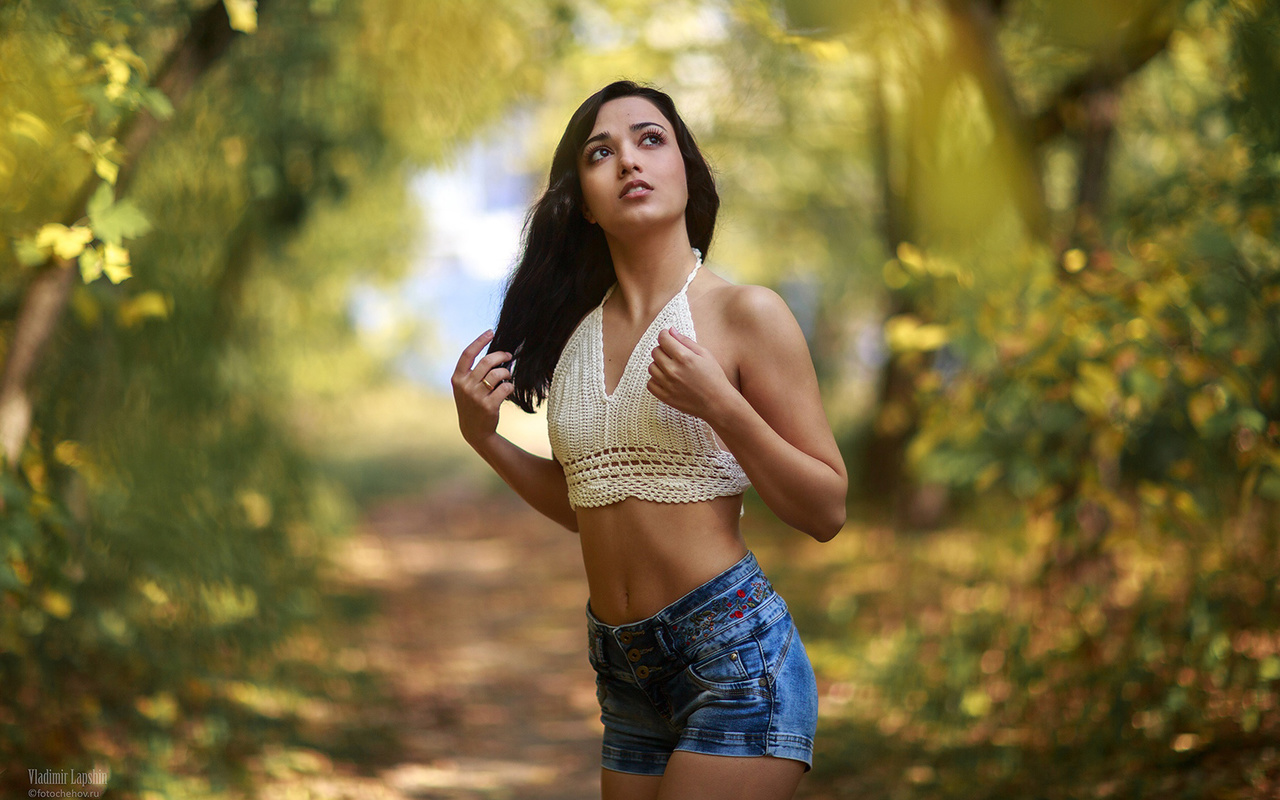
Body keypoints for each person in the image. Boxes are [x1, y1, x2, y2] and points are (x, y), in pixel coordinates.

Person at [451, 80, 848, 800]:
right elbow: (590, 503)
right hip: (625, 674)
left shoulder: (744, 313)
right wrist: (487, 441)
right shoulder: (573, 337)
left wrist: (723, 406)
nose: (629, 161)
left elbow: (826, 510)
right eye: (602, 152)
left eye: (650, 139)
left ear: (686, 172)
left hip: (733, 660)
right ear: (584, 202)